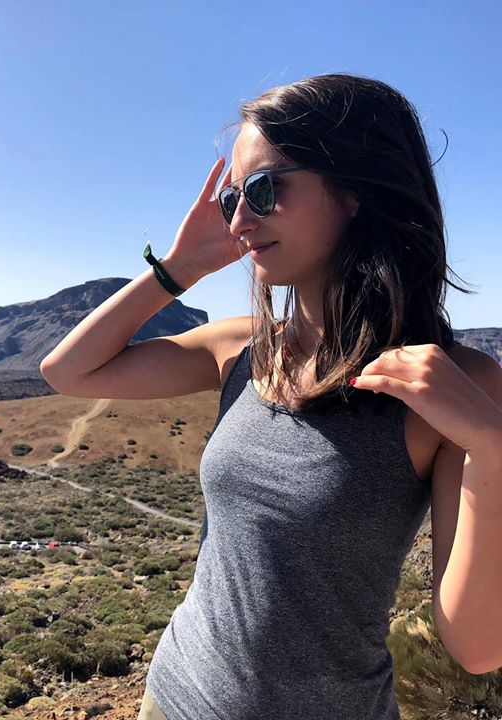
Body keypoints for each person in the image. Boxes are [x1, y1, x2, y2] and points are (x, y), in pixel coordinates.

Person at [40, 73, 502, 720]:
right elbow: (69, 371)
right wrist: (180, 267)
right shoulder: (241, 349)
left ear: (357, 189)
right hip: (173, 698)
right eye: (232, 198)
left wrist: (492, 446)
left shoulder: (455, 386)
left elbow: (477, 648)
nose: (239, 220)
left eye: (263, 188)